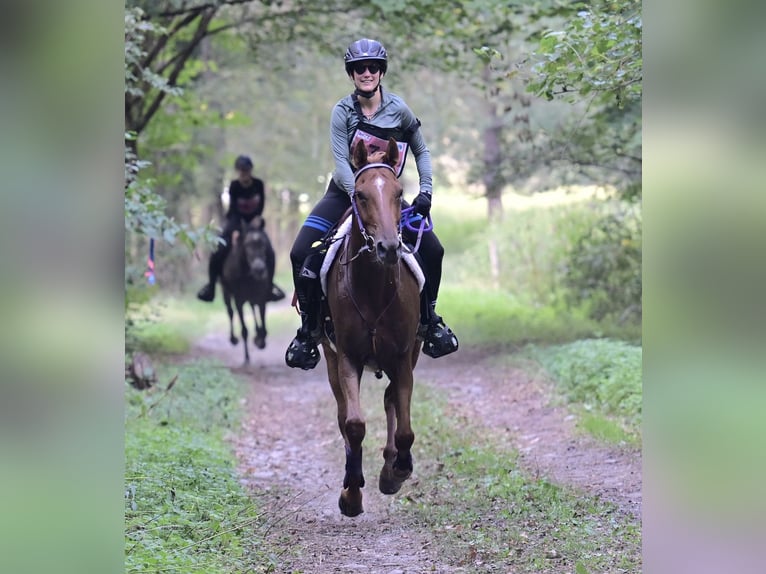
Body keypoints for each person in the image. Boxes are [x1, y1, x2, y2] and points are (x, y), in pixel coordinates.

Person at [285, 38, 459, 370]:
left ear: (381, 72)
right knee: (300, 253)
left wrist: (426, 192)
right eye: (360, 68)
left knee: (434, 251)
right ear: (352, 74)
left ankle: (429, 320)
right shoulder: (342, 111)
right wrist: (357, 197)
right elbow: (340, 164)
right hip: (344, 193)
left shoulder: (399, 109)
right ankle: (308, 332)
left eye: (373, 67)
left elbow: (421, 150)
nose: (367, 73)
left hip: (386, 195)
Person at [197, 154, 284, 303]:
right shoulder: (234, 186)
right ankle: (211, 287)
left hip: (255, 223)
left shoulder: (258, 184)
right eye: (241, 171)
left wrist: (257, 217)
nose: (244, 174)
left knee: (269, 250)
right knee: (218, 251)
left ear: (250, 171)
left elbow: (261, 204)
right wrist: (236, 229)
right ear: (238, 172)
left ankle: (269, 287)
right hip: (236, 222)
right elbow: (233, 209)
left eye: (246, 170)